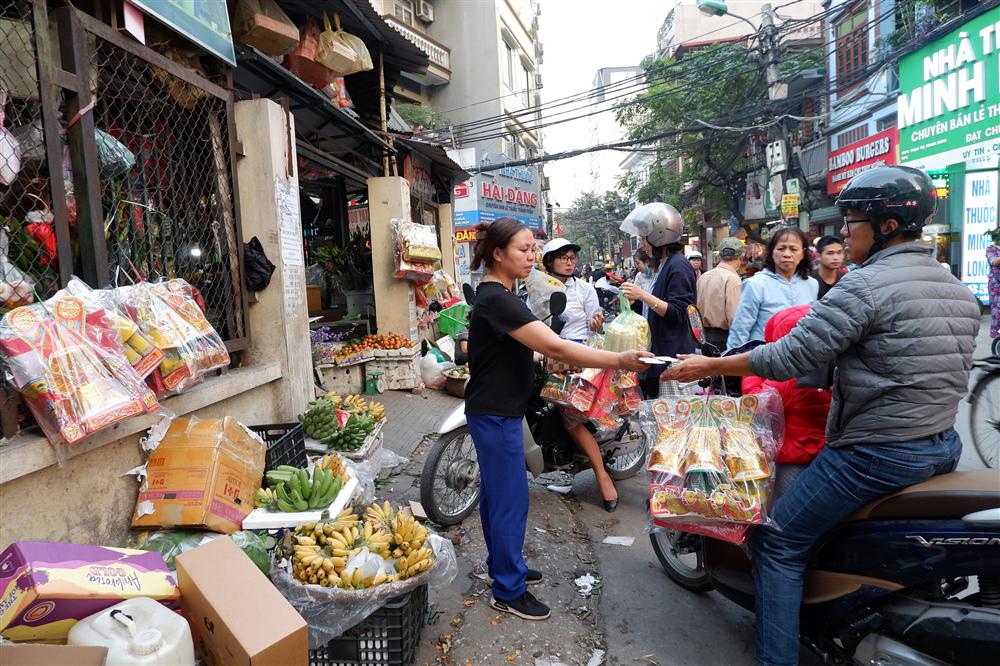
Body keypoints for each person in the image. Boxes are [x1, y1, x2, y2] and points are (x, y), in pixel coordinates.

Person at [662, 165, 981, 666]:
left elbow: (787, 357)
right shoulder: (955, 285)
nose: (843, 234)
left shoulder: (864, 286)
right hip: (941, 445)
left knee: (777, 542)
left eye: (852, 222)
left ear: (888, 226)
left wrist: (709, 365)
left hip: (875, 453)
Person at [464, 217, 650, 622]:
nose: (532, 256)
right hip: (495, 414)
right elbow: (558, 345)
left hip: (497, 410)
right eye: (523, 249)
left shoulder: (501, 295)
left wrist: (537, 358)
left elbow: (520, 347)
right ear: (498, 253)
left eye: (533, 248)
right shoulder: (498, 299)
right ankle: (508, 590)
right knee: (510, 501)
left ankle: (503, 567)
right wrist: (619, 358)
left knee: (497, 496)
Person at [531, 238, 620, 511]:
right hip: (544, 354)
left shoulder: (583, 288)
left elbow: (595, 322)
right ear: (549, 261)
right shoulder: (536, 286)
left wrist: (596, 321)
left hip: (576, 357)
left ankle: (602, 477)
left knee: (570, 418)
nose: (569, 262)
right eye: (564, 258)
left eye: (572, 258)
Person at [741, 305, 831, 497]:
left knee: (781, 504)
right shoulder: (828, 369)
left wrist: (752, 373)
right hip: (824, 449)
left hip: (794, 456)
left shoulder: (788, 377)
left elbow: (758, 403)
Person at [618, 202, 697, 397]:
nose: (642, 244)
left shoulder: (678, 265)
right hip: (659, 356)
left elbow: (679, 313)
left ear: (658, 235)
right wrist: (637, 302)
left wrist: (642, 294)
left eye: (643, 238)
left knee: (670, 414)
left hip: (671, 358)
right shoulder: (664, 264)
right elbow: (658, 306)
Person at [726, 228, 818, 350]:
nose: (787, 254)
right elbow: (740, 330)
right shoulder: (756, 284)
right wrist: (733, 358)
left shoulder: (812, 285)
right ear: (772, 252)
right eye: (781, 248)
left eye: (793, 249)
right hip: (763, 357)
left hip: (800, 357)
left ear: (802, 253)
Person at [696, 237, 744, 355]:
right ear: (740, 257)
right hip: (724, 339)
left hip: (704, 337)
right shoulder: (733, 279)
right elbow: (734, 317)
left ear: (720, 256)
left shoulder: (704, 276)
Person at [987, 227, 1000, 341]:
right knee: (997, 309)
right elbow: (994, 261)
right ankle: (996, 335)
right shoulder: (991, 249)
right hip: (996, 284)